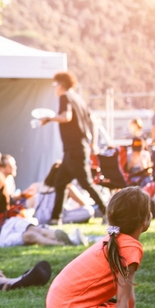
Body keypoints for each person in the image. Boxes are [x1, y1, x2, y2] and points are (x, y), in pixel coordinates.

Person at [30, 187, 152, 308]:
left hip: (57, 306)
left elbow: (128, 296)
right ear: (144, 220)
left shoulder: (113, 239)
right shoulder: (130, 248)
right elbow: (122, 299)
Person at [39, 71, 109, 225]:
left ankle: (108, 213)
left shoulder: (65, 97)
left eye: (55, 84)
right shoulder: (79, 99)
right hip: (75, 150)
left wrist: (49, 119)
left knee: (86, 183)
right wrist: (93, 143)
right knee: (60, 182)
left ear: (61, 85)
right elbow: (94, 122)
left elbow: (66, 117)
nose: (54, 88)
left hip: (75, 150)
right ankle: (55, 218)